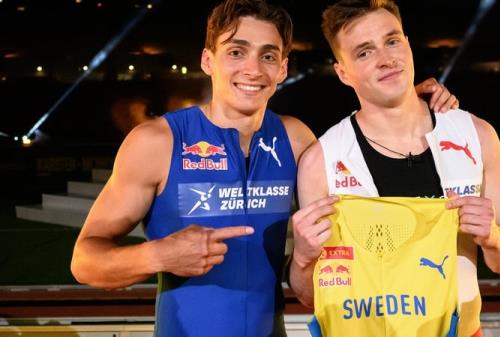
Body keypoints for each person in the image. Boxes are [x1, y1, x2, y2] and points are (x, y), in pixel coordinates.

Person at [71, 0, 457, 336]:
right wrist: (157, 257)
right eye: (237, 52)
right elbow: (85, 261)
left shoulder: (295, 139)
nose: (253, 69)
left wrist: (411, 102)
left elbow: (365, 142)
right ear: (208, 60)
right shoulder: (157, 142)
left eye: (268, 55)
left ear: (283, 68)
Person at [289, 1, 500, 336]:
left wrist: (493, 237)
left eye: (392, 41)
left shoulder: (476, 135)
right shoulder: (322, 161)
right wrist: (302, 258)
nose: (386, 59)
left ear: (408, 45)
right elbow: (312, 297)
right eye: (364, 52)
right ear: (343, 72)